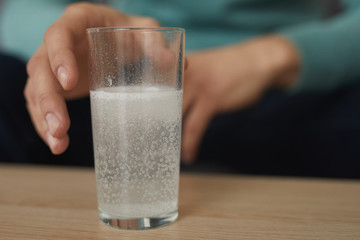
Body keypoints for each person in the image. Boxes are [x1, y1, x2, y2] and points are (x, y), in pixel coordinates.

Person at [1, 0, 360, 177]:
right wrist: (78, 51)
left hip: (284, 84)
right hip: (123, 85)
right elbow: (19, 9)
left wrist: (268, 58)